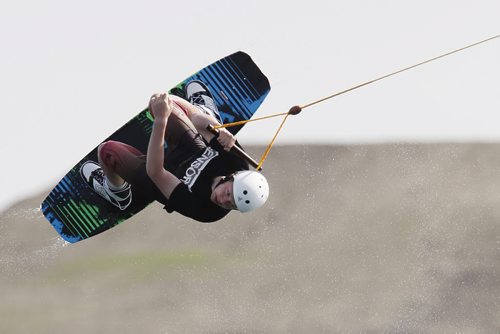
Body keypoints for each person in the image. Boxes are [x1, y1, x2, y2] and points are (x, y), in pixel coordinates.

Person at [80, 81, 269, 222]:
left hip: (157, 180)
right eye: (229, 193)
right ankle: (209, 116)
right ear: (231, 177)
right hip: (189, 150)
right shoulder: (236, 163)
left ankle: (117, 194)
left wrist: (160, 121)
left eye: (231, 205)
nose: (223, 200)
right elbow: (193, 117)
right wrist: (216, 129)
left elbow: (156, 172)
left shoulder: (207, 211)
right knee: (163, 102)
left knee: (107, 151)